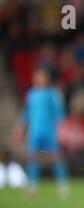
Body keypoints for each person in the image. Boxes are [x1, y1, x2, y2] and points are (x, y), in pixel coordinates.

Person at [13, 67, 69, 196]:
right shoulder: (31, 94)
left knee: (56, 157)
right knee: (33, 158)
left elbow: (60, 113)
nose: (39, 78)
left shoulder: (53, 93)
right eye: (37, 76)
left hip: (50, 132)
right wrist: (20, 128)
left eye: (41, 76)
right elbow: (26, 113)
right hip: (35, 132)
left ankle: (62, 183)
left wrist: (61, 128)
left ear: (46, 78)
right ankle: (32, 185)